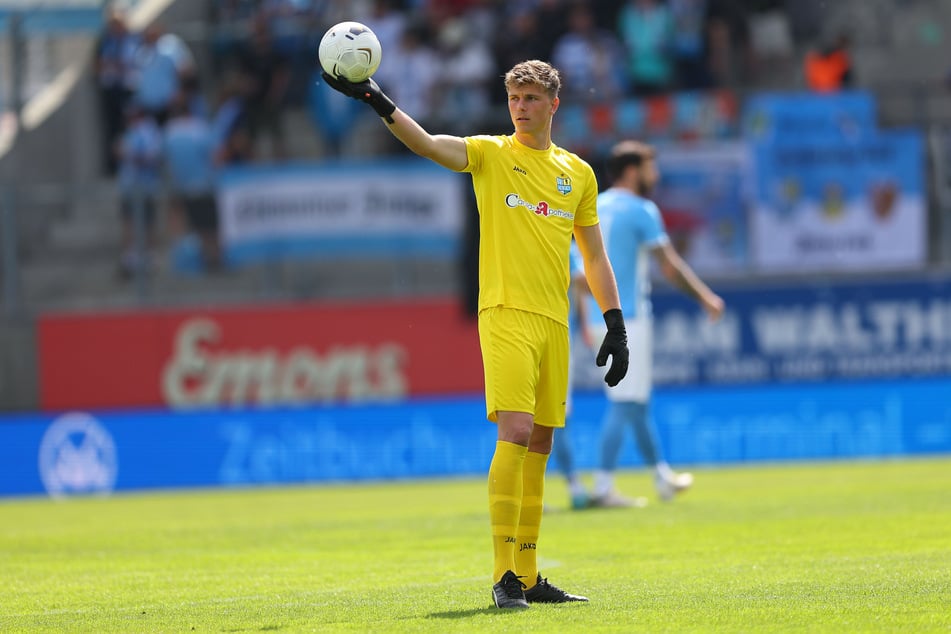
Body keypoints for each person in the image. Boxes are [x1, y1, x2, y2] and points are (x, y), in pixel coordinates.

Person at [322, 60, 630, 609]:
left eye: (531, 98)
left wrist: (615, 322)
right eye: (514, 97)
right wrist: (375, 99)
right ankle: (502, 575)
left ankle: (531, 575)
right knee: (514, 430)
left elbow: (596, 257)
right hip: (505, 312)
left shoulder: (577, 173)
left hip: (553, 320)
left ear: (553, 104)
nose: (520, 107)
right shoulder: (491, 154)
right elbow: (426, 144)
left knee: (541, 440)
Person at [587, 140, 724, 508]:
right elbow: (669, 265)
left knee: (638, 402)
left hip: (597, 314)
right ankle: (601, 486)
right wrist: (706, 298)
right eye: (651, 168)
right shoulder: (641, 209)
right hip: (627, 317)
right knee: (624, 401)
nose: (656, 176)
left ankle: (662, 478)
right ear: (633, 172)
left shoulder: (593, 205)